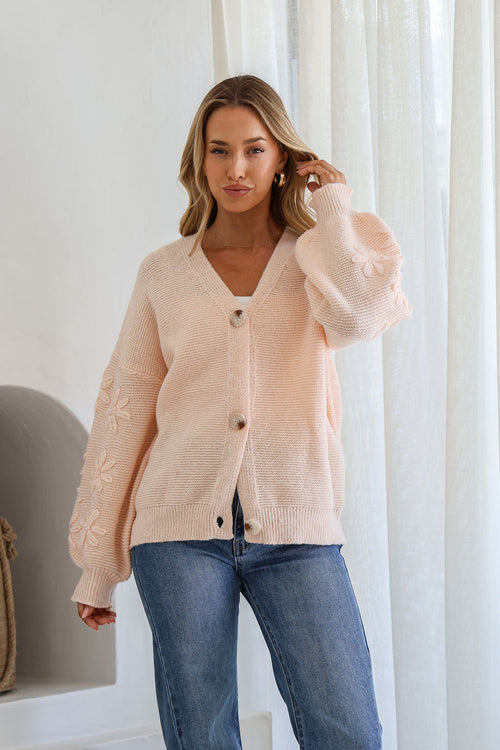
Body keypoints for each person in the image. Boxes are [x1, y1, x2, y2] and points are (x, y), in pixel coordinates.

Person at [68, 74, 412, 749]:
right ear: (199, 160)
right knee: (201, 733)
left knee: (348, 729)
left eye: (254, 149)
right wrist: (99, 565)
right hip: (176, 534)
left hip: (297, 526)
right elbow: (126, 409)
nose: (236, 169)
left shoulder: (315, 260)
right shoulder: (164, 273)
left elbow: (363, 316)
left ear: (282, 157)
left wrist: (333, 205)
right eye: (219, 150)